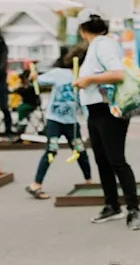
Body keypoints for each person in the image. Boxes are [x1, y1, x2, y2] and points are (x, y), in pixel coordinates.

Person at [73, 13, 140, 231]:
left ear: (82, 30)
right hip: (95, 111)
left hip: (108, 110)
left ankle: (134, 209)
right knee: (102, 160)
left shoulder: (103, 44)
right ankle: (112, 205)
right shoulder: (98, 45)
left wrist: (88, 79)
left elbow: (117, 74)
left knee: (116, 160)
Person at [25, 45, 93, 199]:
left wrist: (89, 120)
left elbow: (84, 103)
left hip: (71, 122)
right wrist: (33, 77)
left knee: (80, 150)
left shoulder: (84, 78)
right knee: (51, 149)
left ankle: (89, 181)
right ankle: (36, 184)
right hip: (55, 120)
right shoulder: (59, 74)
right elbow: (38, 80)